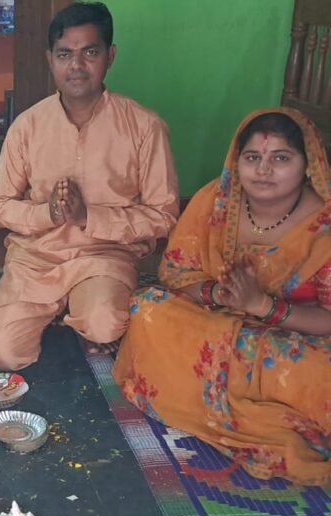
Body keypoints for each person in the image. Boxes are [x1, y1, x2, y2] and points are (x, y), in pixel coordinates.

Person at [114, 109, 331, 485]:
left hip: (296, 340)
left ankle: (214, 394)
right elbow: (177, 275)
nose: (263, 170)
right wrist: (218, 292)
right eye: (253, 157)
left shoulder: (324, 225)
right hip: (215, 319)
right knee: (147, 308)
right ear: (237, 160)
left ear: (307, 164)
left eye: (281, 158)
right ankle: (240, 400)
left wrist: (263, 306)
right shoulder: (216, 200)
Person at [0, 1, 179, 370]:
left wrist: (89, 217)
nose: (76, 65)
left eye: (90, 52)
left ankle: (81, 310)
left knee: (103, 326)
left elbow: (163, 215)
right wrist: (49, 213)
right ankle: (63, 308)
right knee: (1, 354)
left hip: (105, 255)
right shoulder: (27, 126)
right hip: (37, 257)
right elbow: (1, 205)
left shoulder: (144, 126)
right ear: (50, 60)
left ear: (110, 55)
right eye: (64, 54)